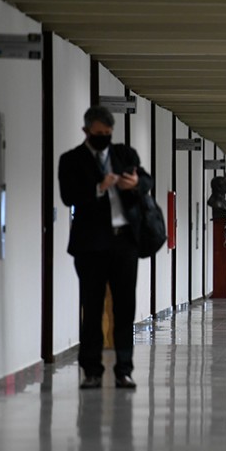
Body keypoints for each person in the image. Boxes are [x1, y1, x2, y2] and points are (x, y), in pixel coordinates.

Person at [58, 105, 154, 389]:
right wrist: (99, 187)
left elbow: (146, 180)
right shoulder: (72, 160)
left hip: (124, 242)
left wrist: (135, 183)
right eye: (98, 133)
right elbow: (68, 196)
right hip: (91, 245)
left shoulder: (124, 154)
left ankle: (124, 369)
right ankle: (92, 371)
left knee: (125, 307)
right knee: (92, 306)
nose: (103, 138)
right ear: (86, 131)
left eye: (107, 133)